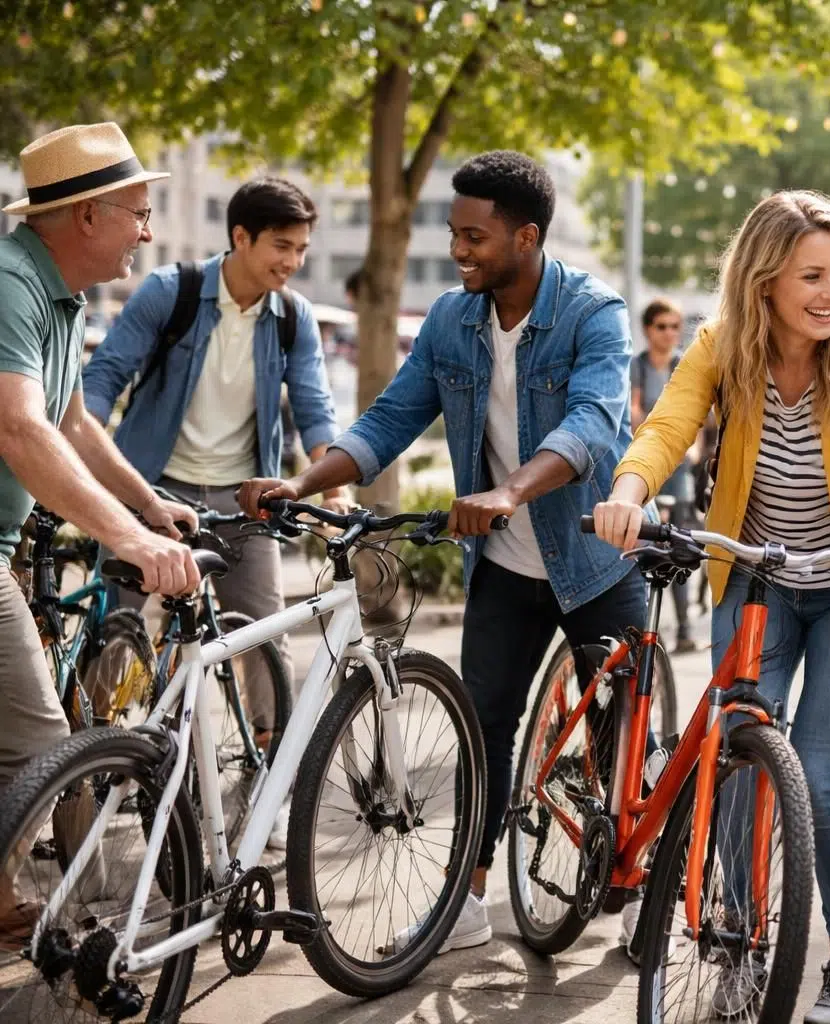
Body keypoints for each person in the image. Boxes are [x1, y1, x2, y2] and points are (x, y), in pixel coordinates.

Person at [238, 150, 645, 955]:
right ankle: (469, 897)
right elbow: (389, 420)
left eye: (474, 236)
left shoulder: (593, 313)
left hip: (596, 562)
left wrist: (508, 493)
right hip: (502, 569)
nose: (459, 249)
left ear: (526, 237)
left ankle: (639, 887)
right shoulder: (455, 322)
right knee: (484, 729)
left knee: (620, 732)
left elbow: (596, 422)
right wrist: (304, 481)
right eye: (454, 233)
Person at [592, 190, 830, 1024]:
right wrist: (629, 489)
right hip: (756, 579)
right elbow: (667, 425)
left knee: (823, 782)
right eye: (811, 277)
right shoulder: (725, 346)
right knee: (736, 771)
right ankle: (735, 938)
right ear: (764, 280)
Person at [83, 177, 345, 850]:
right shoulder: (169, 294)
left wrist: (331, 480)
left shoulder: (291, 318)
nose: (292, 262)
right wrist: (77, 456)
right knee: (118, 629)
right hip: (154, 488)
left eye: (302, 249)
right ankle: (94, 770)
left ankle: (269, 782)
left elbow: (313, 405)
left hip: (240, 498)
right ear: (240, 238)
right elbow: (105, 376)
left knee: (264, 637)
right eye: (281, 247)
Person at [0, 122, 202, 948]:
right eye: (138, 212)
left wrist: (149, 507)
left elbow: (74, 423)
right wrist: (131, 540)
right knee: (45, 742)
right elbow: (19, 430)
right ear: (86, 216)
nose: (147, 232)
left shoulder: (56, 294)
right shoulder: (11, 283)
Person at [631, 296, 703, 651]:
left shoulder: (684, 364)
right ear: (648, 330)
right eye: (662, 326)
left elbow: (700, 418)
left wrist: (690, 451)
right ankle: (641, 629)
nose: (670, 333)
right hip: (648, 465)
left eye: (676, 326)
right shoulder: (638, 366)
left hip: (681, 469)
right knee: (645, 545)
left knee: (680, 547)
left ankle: (686, 628)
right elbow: (633, 412)